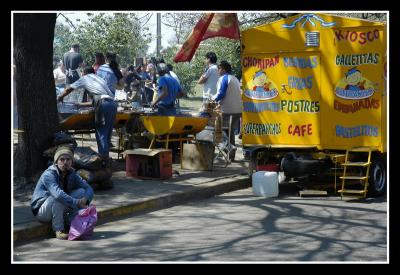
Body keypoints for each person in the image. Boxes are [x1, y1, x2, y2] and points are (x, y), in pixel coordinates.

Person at [30, 146, 94, 240]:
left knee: (81, 192)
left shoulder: (72, 173)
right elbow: (58, 194)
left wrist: (86, 199)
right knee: (57, 198)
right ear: (56, 162)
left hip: (57, 206)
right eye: (62, 159)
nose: (65, 162)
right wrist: (77, 202)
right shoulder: (49, 174)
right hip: (42, 211)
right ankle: (58, 229)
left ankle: (71, 224)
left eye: (68, 159)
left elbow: (88, 188)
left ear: (72, 162)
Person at [57, 66, 117, 163]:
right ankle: (106, 159)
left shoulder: (85, 78)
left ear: (84, 73)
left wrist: (60, 97)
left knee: (101, 134)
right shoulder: (99, 79)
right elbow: (103, 97)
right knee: (107, 134)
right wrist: (80, 104)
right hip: (112, 104)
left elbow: (69, 89)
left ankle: (103, 161)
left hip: (103, 104)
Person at [211, 60, 242, 161]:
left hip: (228, 110)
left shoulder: (224, 78)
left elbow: (221, 94)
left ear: (223, 69)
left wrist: (212, 100)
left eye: (219, 69)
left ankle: (229, 148)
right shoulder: (235, 78)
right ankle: (231, 155)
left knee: (220, 130)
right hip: (238, 110)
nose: (218, 71)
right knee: (230, 132)